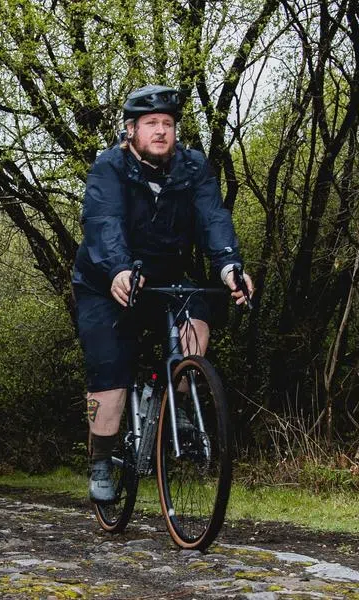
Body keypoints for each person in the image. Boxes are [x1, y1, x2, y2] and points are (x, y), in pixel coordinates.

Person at [71, 85, 254, 503]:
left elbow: (213, 218)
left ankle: (183, 405)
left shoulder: (193, 168)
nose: (160, 131)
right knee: (110, 374)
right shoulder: (108, 168)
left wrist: (230, 266)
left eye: (167, 124)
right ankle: (100, 457)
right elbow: (104, 222)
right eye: (151, 124)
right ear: (132, 130)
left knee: (196, 327)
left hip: (168, 278)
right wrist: (118, 269)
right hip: (106, 281)